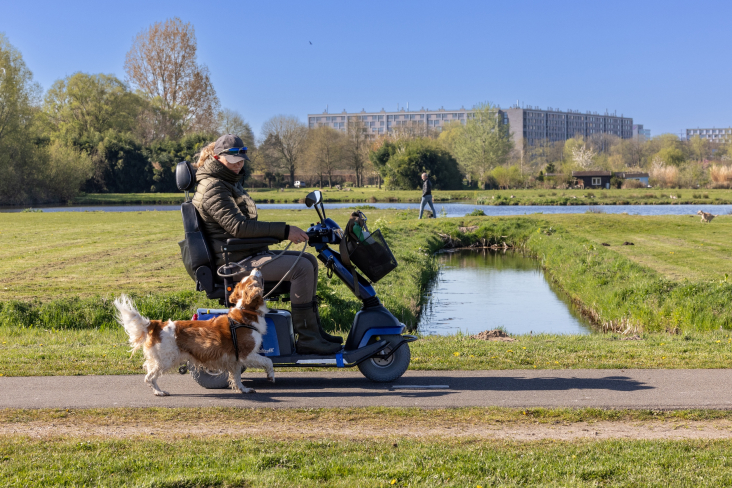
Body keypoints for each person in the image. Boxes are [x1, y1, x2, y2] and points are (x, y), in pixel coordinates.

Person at [192, 134, 342, 355]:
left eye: (242, 160)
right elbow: (238, 227)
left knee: (309, 260)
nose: (239, 165)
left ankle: (314, 332)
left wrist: (276, 235)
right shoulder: (215, 187)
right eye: (233, 161)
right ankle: (308, 338)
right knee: (301, 268)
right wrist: (284, 231)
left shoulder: (227, 181)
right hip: (234, 262)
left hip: (242, 253)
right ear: (217, 157)